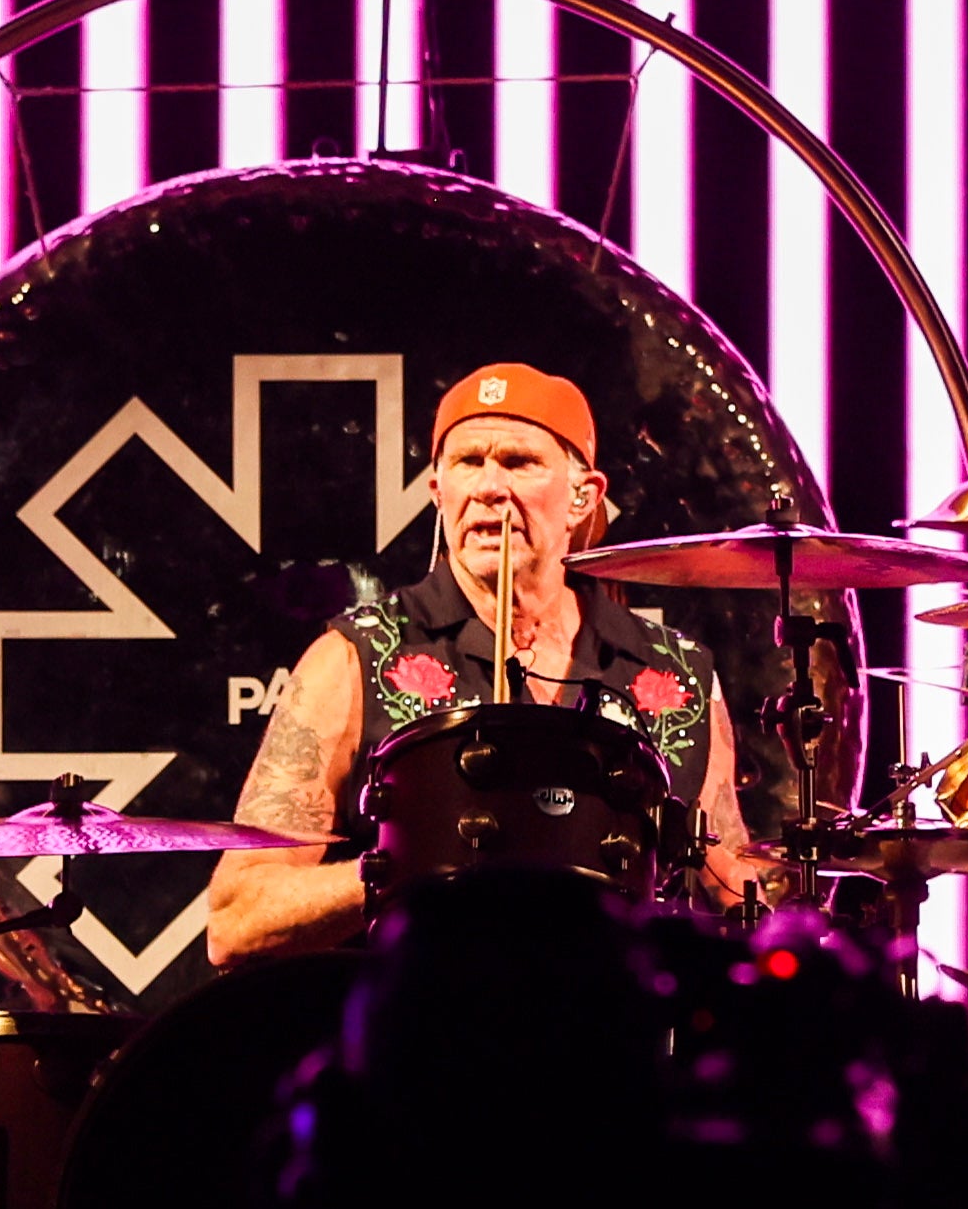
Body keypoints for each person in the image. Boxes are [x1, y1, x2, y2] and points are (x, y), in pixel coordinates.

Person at [208, 363, 780, 964]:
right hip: (423, 1036)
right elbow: (237, 921)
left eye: (518, 462)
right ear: (438, 491)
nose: (488, 487)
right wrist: (413, 861)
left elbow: (734, 888)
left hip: (617, 1037)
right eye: (466, 462)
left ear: (583, 495)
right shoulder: (356, 658)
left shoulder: (674, 674)